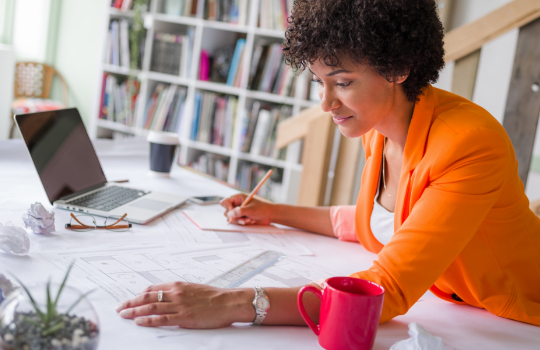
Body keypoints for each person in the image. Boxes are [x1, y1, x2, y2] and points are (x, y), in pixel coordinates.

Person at [115, 0, 540, 328]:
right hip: (456, 312)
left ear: (398, 68)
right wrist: (274, 212)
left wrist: (229, 302)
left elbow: (384, 290)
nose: (326, 103)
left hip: (513, 315)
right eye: (320, 82)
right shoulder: (380, 125)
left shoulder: (468, 143)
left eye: (343, 82)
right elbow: (376, 221)